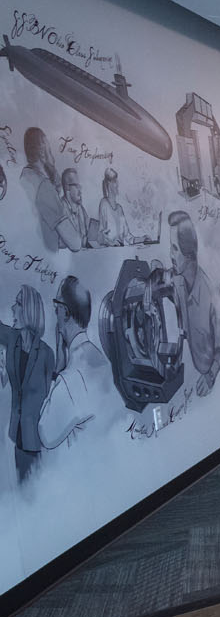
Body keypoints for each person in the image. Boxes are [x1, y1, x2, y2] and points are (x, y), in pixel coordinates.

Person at [37, 276, 116, 450]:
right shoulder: (102, 360)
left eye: (56, 306)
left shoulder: (70, 379)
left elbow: (45, 435)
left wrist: (57, 370)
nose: (55, 312)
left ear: (65, 312)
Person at [0, 283, 57, 481]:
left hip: (39, 442)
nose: (12, 308)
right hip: (17, 437)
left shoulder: (46, 354)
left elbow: (53, 399)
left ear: (29, 310)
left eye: (18, 303)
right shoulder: (12, 339)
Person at [168, 210, 220, 397]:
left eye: (174, 249)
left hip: (206, 375)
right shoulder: (178, 280)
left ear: (189, 253)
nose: (170, 255)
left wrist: (211, 375)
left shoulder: (209, 294)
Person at [22, 128, 64, 251]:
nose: (54, 158)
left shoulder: (27, 176)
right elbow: (74, 243)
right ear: (41, 152)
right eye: (49, 151)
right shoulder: (41, 183)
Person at [94, 168, 133, 247]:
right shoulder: (104, 204)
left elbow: (129, 237)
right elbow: (100, 235)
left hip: (120, 251)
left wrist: (143, 239)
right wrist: (111, 243)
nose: (117, 184)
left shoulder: (119, 208)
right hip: (109, 252)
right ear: (109, 183)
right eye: (115, 181)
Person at [54, 169, 89, 251]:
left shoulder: (80, 209)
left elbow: (89, 233)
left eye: (80, 186)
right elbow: (65, 243)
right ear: (67, 187)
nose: (80, 190)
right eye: (77, 186)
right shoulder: (60, 210)